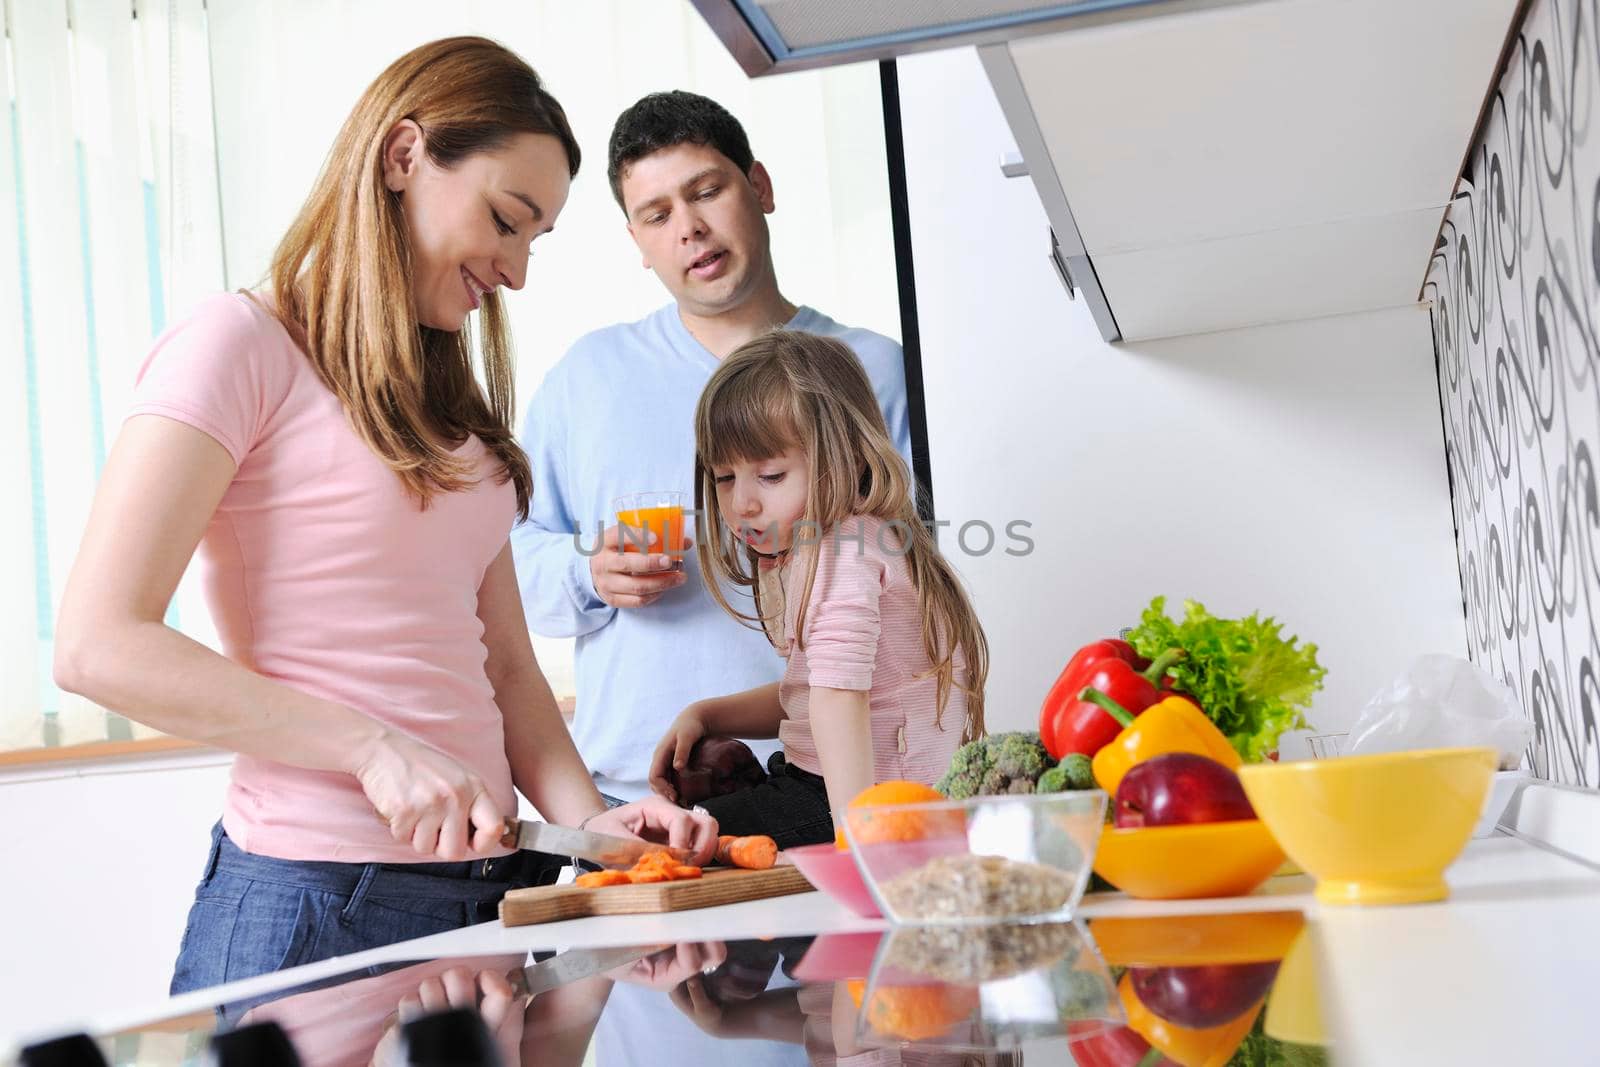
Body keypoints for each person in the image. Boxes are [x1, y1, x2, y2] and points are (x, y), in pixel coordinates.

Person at [51, 37, 716, 994]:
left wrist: (592, 826)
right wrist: (369, 747)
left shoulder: (452, 407)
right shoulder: (237, 346)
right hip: (316, 906)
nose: (519, 271)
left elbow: (504, 667)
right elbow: (97, 644)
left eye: (536, 239)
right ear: (404, 157)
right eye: (506, 220)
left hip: (496, 897)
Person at [511, 90, 912, 804]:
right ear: (636, 241)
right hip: (635, 802)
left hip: (836, 786)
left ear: (758, 187)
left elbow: (920, 582)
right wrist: (587, 571)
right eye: (657, 215)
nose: (690, 229)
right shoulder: (588, 378)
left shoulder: (872, 369)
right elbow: (503, 564)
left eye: (707, 191)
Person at [649, 331, 988, 847]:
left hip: (855, 799)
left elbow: (837, 699)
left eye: (770, 474)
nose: (741, 503)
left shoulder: (838, 551)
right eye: (723, 477)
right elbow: (814, 691)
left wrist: (857, 841)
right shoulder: (866, 537)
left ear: (847, 458)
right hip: (854, 790)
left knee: (651, 846)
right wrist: (707, 713)